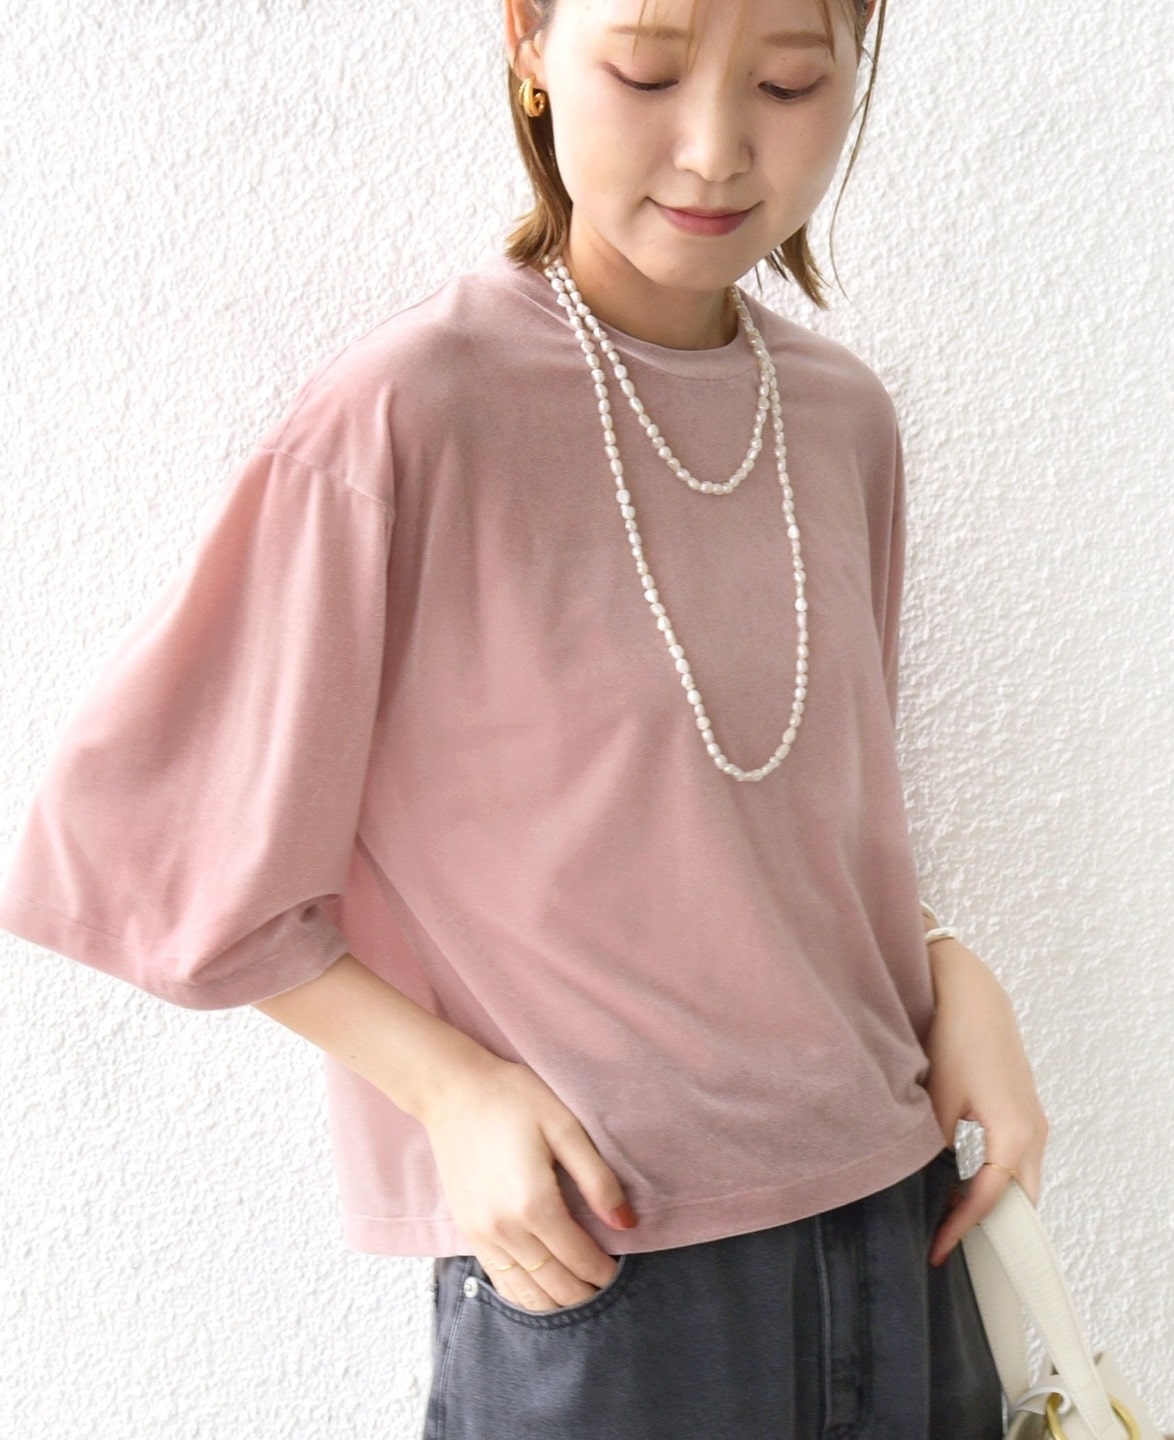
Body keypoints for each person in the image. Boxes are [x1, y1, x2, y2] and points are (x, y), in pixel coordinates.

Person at [0, 0, 1049, 1435]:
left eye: (791, 83)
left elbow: (781, 823)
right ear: (530, 46)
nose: (716, 146)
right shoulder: (413, 411)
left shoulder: (843, 419)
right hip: (611, 1263)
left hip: (900, 1216)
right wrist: (449, 1092)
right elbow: (135, 851)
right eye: (648, 69)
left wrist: (947, 970)